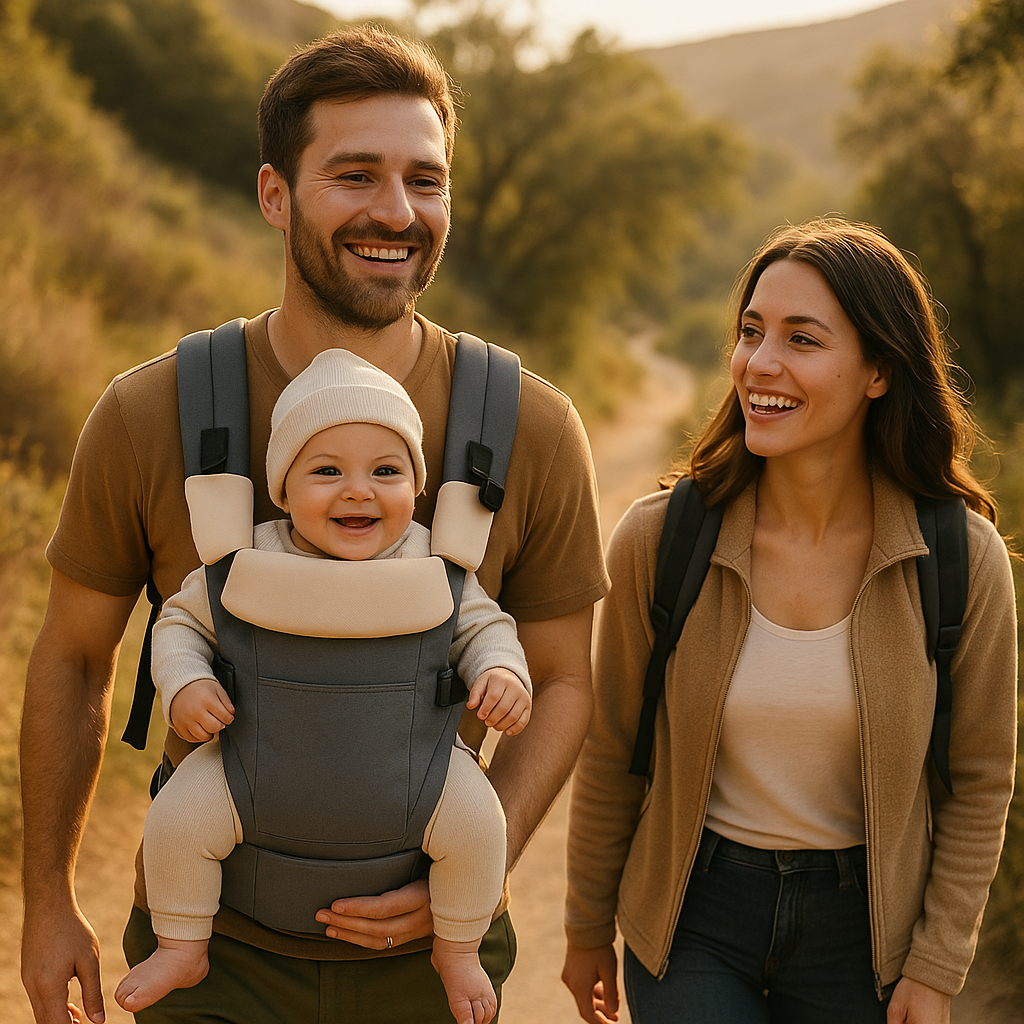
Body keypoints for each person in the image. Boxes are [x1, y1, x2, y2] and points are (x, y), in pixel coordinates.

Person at [20, 26, 609, 1024]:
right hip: (210, 948)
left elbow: (560, 678)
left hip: (428, 968)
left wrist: (474, 866)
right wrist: (44, 903)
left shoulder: (531, 428)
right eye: (355, 175)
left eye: (426, 180)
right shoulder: (146, 413)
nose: (396, 211)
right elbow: (75, 657)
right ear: (274, 194)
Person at [561, 217, 1017, 1024]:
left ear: (879, 370)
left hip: (867, 937)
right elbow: (614, 751)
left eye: (802, 340)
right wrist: (586, 922)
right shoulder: (659, 540)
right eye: (750, 331)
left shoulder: (959, 558)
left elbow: (980, 781)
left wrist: (938, 965)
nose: (758, 364)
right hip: (693, 919)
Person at [114, 348, 532, 1024]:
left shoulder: (434, 565)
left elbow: (488, 628)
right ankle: (182, 943)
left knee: (481, 823)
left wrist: (502, 673)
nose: (358, 490)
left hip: (417, 773)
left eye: (387, 471)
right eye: (327, 470)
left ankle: (457, 950)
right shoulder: (247, 561)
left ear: (419, 489)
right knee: (177, 819)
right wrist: (186, 683)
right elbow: (180, 625)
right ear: (281, 489)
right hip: (252, 770)